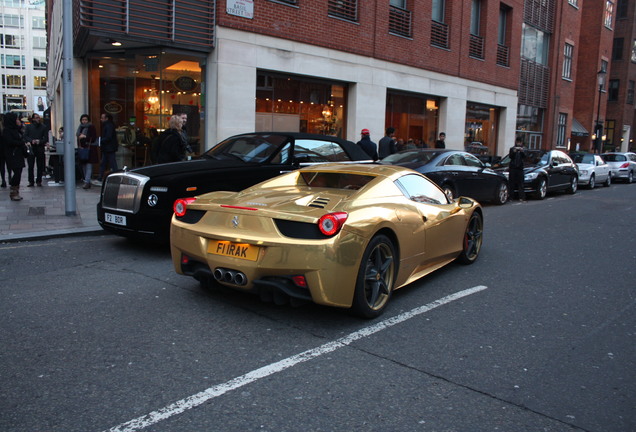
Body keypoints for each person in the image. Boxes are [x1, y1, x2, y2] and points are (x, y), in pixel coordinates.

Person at [4, 111, 27, 201]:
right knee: (17, 172)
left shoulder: (17, 129)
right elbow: (10, 142)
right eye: (16, 119)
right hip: (12, 154)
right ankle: (13, 191)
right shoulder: (7, 131)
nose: (18, 120)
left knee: (19, 172)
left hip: (18, 154)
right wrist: (21, 143)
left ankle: (16, 191)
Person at [24, 113, 49, 187]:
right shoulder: (28, 127)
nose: (38, 119)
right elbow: (25, 136)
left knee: (40, 165)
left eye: (38, 118)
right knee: (30, 165)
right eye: (36, 118)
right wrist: (31, 140)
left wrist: (40, 141)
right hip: (31, 148)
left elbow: (46, 138)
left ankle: (39, 180)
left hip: (40, 148)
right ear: (33, 119)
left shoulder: (43, 127)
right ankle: (31, 181)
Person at [76, 114, 98, 189]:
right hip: (82, 149)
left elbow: (94, 137)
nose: (84, 121)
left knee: (88, 166)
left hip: (89, 149)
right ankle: (86, 181)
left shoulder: (91, 127)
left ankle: (87, 182)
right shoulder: (80, 128)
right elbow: (78, 137)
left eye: (85, 120)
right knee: (83, 166)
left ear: (88, 120)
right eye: (83, 120)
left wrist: (85, 136)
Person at [97, 113, 118, 184]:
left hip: (109, 147)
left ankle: (101, 177)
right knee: (107, 163)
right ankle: (100, 177)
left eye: (102, 118)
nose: (101, 119)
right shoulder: (109, 125)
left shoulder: (108, 126)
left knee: (110, 163)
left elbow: (108, 137)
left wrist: (100, 140)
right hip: (109, 147)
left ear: (106, 118)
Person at [508, 137, 526, 201]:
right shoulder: (512, 149)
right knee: (511, 183)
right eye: (517, 142)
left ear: (521, 143)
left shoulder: (523, 149)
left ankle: (521, 197)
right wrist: (514, 152)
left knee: (520, 183)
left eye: (520, 142)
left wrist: (521, 151)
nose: (518, 144)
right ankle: (511, 197)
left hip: (520, 168)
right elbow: (510, 156)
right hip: (513, 168)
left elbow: (525, 157)